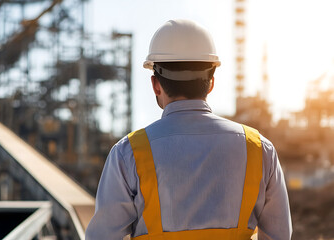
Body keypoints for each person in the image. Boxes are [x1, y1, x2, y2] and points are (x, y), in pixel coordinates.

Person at [85, 19, 292, 240]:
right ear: (211, 82)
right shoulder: (260, 149)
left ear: (156, 84)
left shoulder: (128, 153)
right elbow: (279, 235)